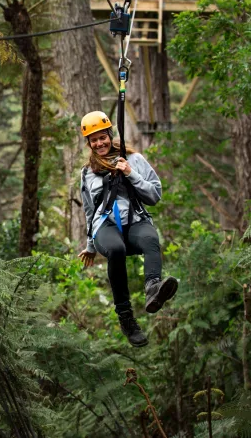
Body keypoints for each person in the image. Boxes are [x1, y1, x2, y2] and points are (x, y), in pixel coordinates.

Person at [77, 111, 178, 347]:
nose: (99, 143)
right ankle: (126, 318)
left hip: (135, 220)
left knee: (151, 238)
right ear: (89, 144)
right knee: (115, 249)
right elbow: (90, 211)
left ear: (110, 136)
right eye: (94, 140)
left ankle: (153, 287)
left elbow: (154, 195)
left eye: (102, 137)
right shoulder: (87, 173)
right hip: (106, 226)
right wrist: (91, 245)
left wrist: (130, 174)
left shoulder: (134, 160)